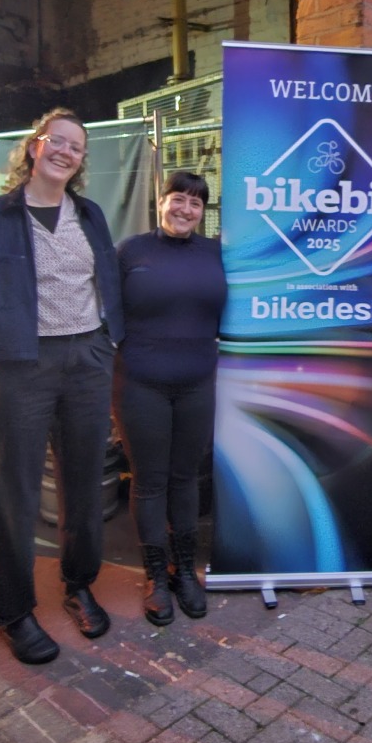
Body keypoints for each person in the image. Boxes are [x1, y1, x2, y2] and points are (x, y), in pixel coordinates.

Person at [0, 108, 124, 665]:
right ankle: (14, 611)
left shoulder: (89, 215)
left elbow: (105, 279)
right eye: (58, 141)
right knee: (16, 495)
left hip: (88, 360)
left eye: (77, 147)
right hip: (24, 367)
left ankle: (78, 585)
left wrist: (108, 340)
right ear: (35, 146)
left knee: (83, 485)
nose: (66, 152)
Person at [113, 170, 227, 626]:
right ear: (161, 202)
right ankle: (156, 577)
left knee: (185, 479)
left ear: (204, 211)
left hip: (198, 383)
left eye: (196, 203)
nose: (185, 209)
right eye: (178, 199)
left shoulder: (218, 254)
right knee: (149, 481)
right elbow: (105, 311)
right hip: (141, 384)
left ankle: (185, 573)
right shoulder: (131, 252)